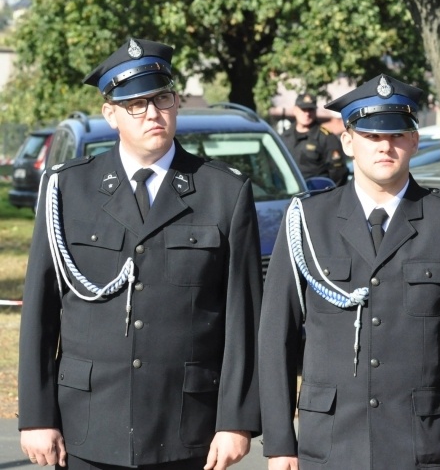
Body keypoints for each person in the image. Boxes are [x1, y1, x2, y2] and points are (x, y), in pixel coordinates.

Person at [18, 38, 262, 470]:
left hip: (188, 427)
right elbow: (40, 312)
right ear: (110, 113)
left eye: (162, 98)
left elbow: (242, 318)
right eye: (135, 103)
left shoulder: (223, 191)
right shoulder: (67, 189)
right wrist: (37, 417)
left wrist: (236, 422)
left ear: (177, 102)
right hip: (89, 422)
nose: (153, 113)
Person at [259, 74, 440, 469]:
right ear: (347, 141)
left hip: (423, 443)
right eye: (371, 136)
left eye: (396, 135)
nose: (385, 146)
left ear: (413, 140)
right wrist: (279, 443)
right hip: (329, 443)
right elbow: (276, 336)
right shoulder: (308, 221)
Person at [280, 92, 348, 186]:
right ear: (295, 110)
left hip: (317, 194)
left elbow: (338, 173)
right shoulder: (285, 137)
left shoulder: (327, 138)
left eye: (310, 110)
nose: (307, 114)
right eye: (303, 109)